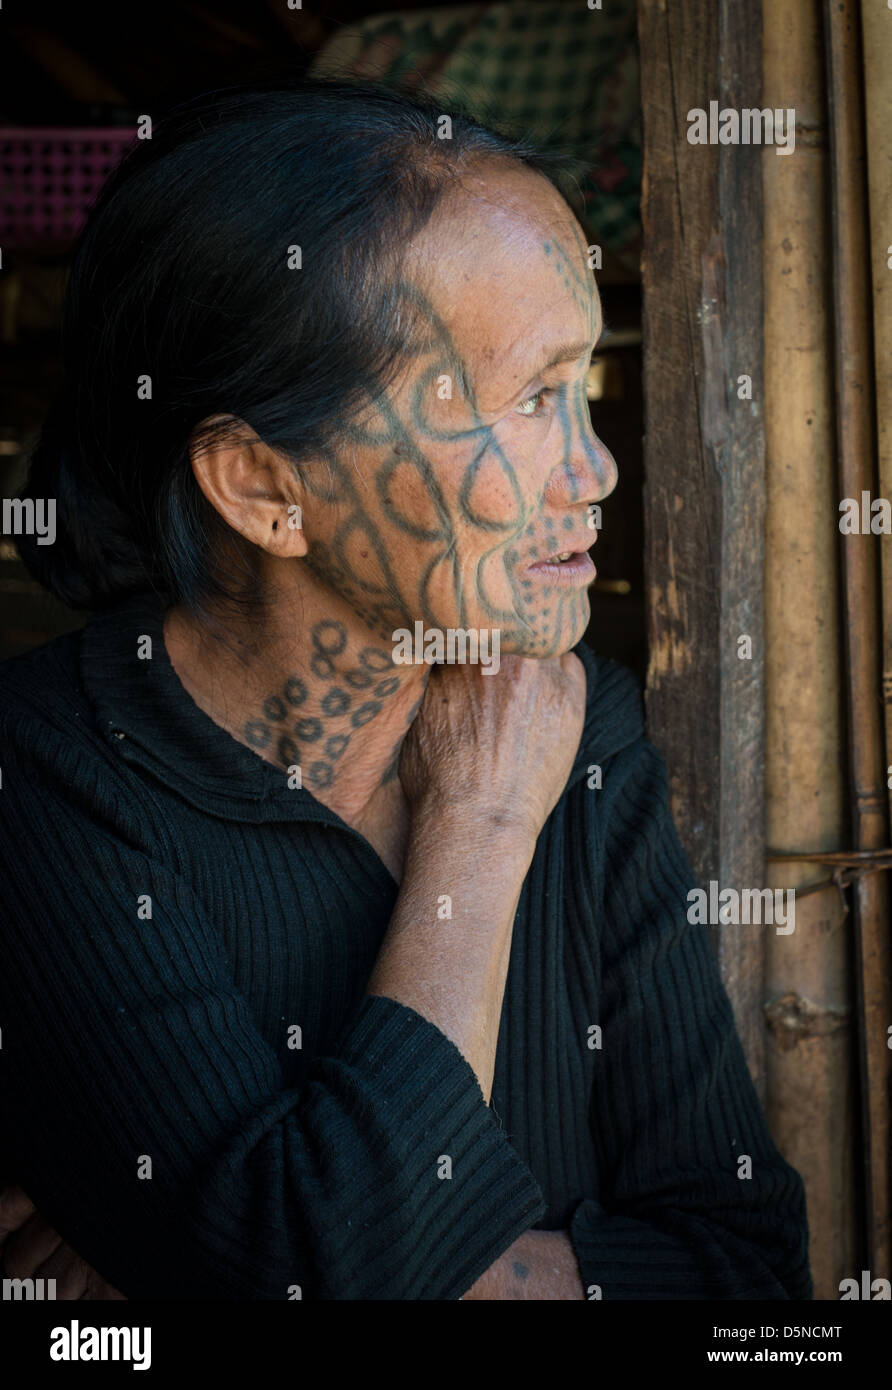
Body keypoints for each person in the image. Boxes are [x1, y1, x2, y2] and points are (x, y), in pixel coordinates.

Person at [0, 78, 811, 1300]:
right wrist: (479, 833)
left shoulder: (573, 723)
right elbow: (315, 1274)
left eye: (582, 387)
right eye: (532, 400)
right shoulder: (51, 776)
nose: (592, 469)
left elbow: (747, 1275)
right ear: (266, 487)